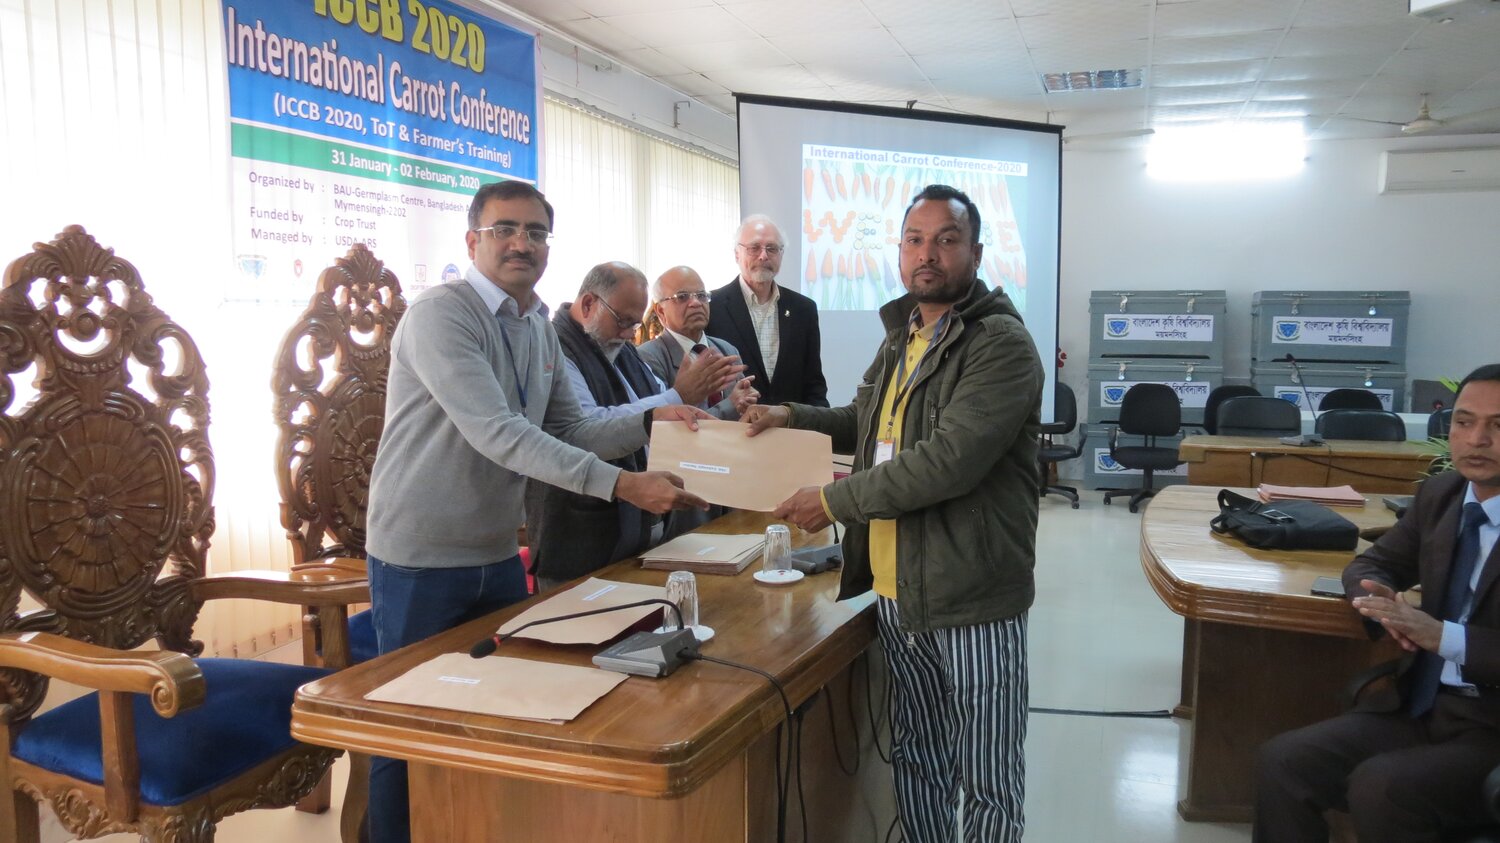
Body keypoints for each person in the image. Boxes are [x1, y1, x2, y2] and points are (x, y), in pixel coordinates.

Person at [363, 181, 708, 843]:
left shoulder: (535, 327)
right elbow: (499, 432)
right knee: (407, 727)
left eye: (536, 232)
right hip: (420, 554)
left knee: (491, 710)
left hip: (496, 551)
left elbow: (570, 427)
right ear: (473, 241)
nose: (522, 243)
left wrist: (653, 416)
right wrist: (622, 486)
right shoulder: (444, 315)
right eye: (505, 230)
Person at [743, 184, 1044, 843]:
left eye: (946, 239)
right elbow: (865, 420)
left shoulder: (1001, 346)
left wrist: (831, 501)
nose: (927, 253)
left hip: (973, 596)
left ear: (977, 252)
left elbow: (947, 461)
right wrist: (788, 414)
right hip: (897, 587)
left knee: (987, 775)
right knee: (918, 756)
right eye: (914, 239)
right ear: (899, 251)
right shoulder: (903, 332)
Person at [1255, 363, 1500, 843]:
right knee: (1283, 760)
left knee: (1381, 788)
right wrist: (1376, 597)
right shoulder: (1442, 494)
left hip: (1491, 729)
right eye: (1464, 421)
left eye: (1499, 426)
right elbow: (1371, 564)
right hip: (1423, 705)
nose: (1477, 439)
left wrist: (1443, 636)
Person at [525, 261, 742, 593]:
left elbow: (663, 405)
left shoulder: (622, 348)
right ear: (588, 305)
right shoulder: (556, 348)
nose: (629, 334)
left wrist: (687, 405)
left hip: (635, 530)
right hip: (578, 537)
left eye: (635, 323)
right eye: (624, 321)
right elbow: (586, 427)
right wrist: (678, 395)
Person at [706, 214, 829, 408]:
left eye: (771, 248)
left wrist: (820, 429)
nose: (763, 255)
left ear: (781, 254)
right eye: (754, 248)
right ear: (737, 254)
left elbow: (813, 383)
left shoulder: (803, 309)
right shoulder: (712, 306)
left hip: (790, 430)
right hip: (734, 430)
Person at [638, 264, 759, 420]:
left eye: (701, 295)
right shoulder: (648, 358)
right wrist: (731, 404)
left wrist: (749, 408)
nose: (695, 303)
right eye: (682, 297)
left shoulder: (727, 349)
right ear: (660, 310)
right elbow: (668, 427)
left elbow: (742, 409)